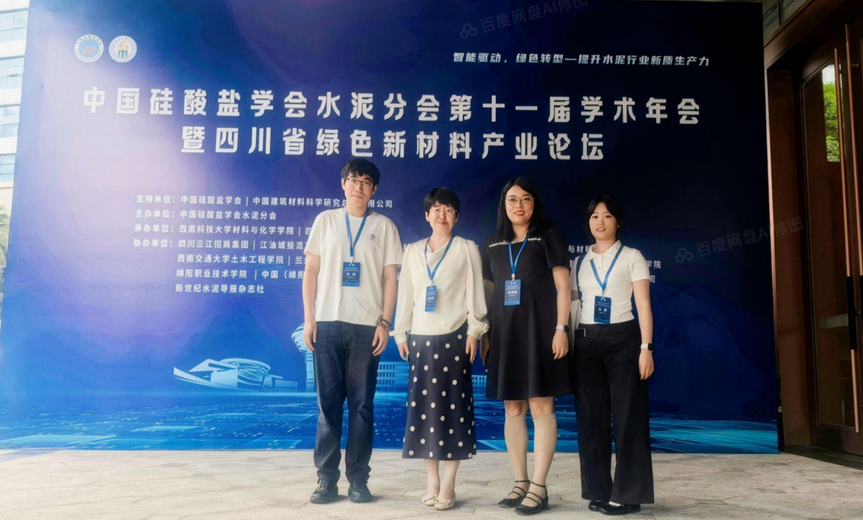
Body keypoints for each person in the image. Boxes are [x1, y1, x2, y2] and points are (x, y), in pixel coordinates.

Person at [302, 158, 402, 504]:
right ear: (343, 184)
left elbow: (390, 278)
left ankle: (358, 479)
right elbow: (311, 272)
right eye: (353, 180)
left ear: (374, 189)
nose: (359, 187)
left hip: (366, 327)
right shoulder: (325, 221)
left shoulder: (384, 226)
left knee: (361, 407)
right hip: (328, 323)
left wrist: (385, 322)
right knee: (328, 405)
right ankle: (326, 480)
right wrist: (310, 319)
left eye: (366, 182)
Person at [391, 187, 489, 511]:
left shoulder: (466, 248)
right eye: (436, 209)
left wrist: (475, 331)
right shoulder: (412, 251)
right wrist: (400, 332)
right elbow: (406, 294)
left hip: (454, 338)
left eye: (448, 210)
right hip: (420, 339)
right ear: (427, 215)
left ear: (456, 217)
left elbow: (475, 292)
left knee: (453, 413)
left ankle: (449, 483)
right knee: (425, 413)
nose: (441, 215)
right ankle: (431, 481)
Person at [481, 177, 572, 516]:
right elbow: (487, 293)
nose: (518, 205)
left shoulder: (548, 235)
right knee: (514, 409)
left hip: (541, 331)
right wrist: (485, 334)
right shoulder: (492, 244)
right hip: (504, 335)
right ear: (503, 206)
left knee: (541, 408)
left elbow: (564, 288)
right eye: (512, 200)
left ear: (535, 203)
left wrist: (561, 328)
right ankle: (520, 481)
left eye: (525, 199)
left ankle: (539, 486)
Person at [570, 194, 655, 516]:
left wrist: (646, 348)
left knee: (628, 417)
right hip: (586, 342)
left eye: (607, 216)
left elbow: (643, 305)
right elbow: (574, 306)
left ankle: (629, 495)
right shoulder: (579, 262)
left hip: (624, 340)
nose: (600, 222)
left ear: (618, 221)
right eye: (594, 216)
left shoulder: (633, 256)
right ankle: (599, 490)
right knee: (590, 419)